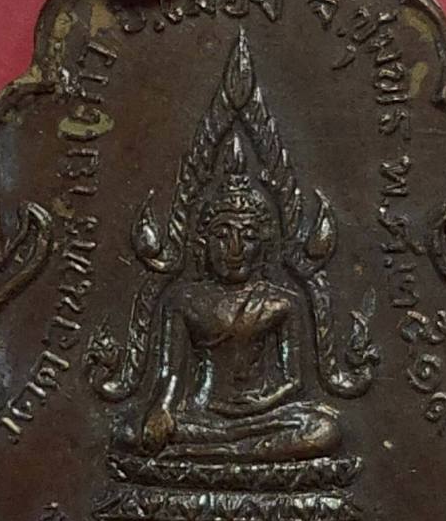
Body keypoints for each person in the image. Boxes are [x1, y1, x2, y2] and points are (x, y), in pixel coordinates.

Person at [115, 136, 340, 462]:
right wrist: (161, 409)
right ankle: (231, 453)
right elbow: (171, 373)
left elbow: (294, 380)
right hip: (200, 414)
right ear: (202, 244)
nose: (234, 249)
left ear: (264, 247)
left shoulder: (281, 303)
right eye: (222, 236)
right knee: (128, 432)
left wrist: (261, 403)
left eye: (247, 237)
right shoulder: (184, 300)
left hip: (263, 415)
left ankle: (213, 453)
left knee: (324, 429)